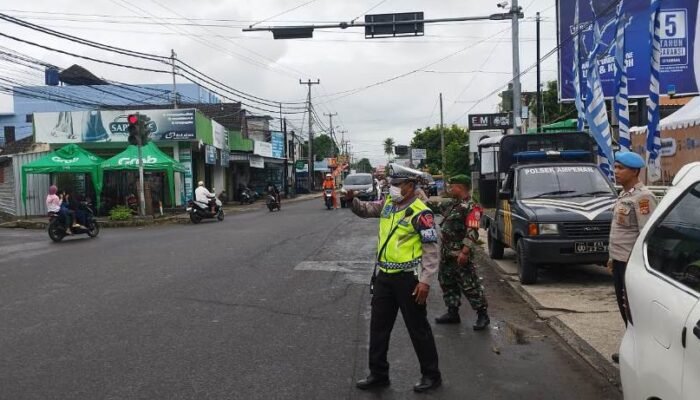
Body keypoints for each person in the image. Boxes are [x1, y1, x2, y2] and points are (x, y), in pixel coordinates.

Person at [351, 163, 442, 393]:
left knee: (417, 328)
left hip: (409, 279)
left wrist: (425, 281)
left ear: (410, 187)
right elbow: (365, 210)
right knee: (378, 328)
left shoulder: (422, 213)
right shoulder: (388, 205)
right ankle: (378, 374)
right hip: (385, 277)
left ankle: (432, 375)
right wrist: (351, 199)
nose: (392, 188)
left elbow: (431, 250)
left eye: (397, 185)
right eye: (391, 184)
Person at [608, 151, 658, 363]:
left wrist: (635, 264)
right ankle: (633, 348)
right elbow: (620, 231)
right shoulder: (624, 195)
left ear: (635, 171)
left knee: (632, 309)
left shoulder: (643, 198)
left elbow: (646, 235)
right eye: (616, 167)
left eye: (621, 168)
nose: (616, 172)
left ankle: (640, 353)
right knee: (623, 306)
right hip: (619, 261)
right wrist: (612, 257)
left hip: (631, 264)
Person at [432, 175, 490, 330]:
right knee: (447, 282)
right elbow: (437, 204)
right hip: (447, 254)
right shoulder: (454, 204)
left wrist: (464, 252)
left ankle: (482, 314)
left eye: (452, 186)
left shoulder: (472, 207)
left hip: (460, 255)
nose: (450, 189)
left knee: (470, 284)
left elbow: (473, 232)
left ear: (460, 187)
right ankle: (452, 312)